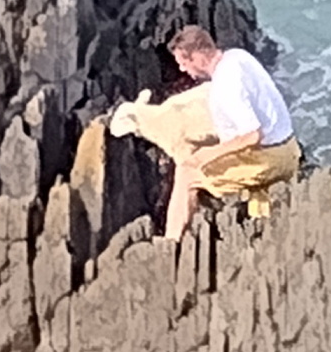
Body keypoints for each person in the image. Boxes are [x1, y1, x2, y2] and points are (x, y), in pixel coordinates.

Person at [108, 23, 302, 243]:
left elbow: (252, 135)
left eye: (183, 62)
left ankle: (172, 243)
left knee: (187, 174)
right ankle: (263, 225)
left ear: (199, 56)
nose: (182, 69)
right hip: (290, 147)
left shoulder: (225, 85)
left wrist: (206, 155)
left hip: (271, 158)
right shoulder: (237, 57)